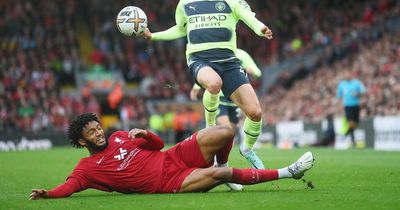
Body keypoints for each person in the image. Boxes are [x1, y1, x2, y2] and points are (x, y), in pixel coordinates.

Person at [29, 113, 314, 199]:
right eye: (91, 133)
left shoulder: (119, 137)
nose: (99, 133)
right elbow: (69, 187)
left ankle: (223, 161)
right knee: (221, 175)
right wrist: (49, 194)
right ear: (82, 141)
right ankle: (289, 171)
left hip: (172, 156)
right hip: (170, 181)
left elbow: (155, 146)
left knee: (225, 132)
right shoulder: (87, 168)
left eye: (97, 127)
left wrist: (145, 135)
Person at [143, 0, 272, 169]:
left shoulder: (232, 1)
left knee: (255, 113)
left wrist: (260, 28)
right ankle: (210, 126)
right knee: (213, 83)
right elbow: (181, 29)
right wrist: (154, 36)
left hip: (229, 62)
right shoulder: (185, 3)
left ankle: (247, 149)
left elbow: (248, 16)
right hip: (199, 59)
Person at [190, 49, 264, 190]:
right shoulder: (216, 51)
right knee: (226, 130)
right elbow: (207, 72)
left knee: (232, 133)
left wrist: (252, 70)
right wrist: (195, 87)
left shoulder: (242, 54)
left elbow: (257, 71)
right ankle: (222, 167)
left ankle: (221, 164)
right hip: (221, 101)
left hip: (235, 101)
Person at [336, 71, 366, 148]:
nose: (347, 76)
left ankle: (346, 133)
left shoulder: (356, 83)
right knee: (351, 123)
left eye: (348, 74)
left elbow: (363, 91)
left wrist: (357, 94)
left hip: (356, 105)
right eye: (345, 74)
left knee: (356, 123)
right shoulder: (341, 84)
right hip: (347, 106)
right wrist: (339, 106)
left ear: (351, 75)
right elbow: (339, 96)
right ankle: (353, 141)